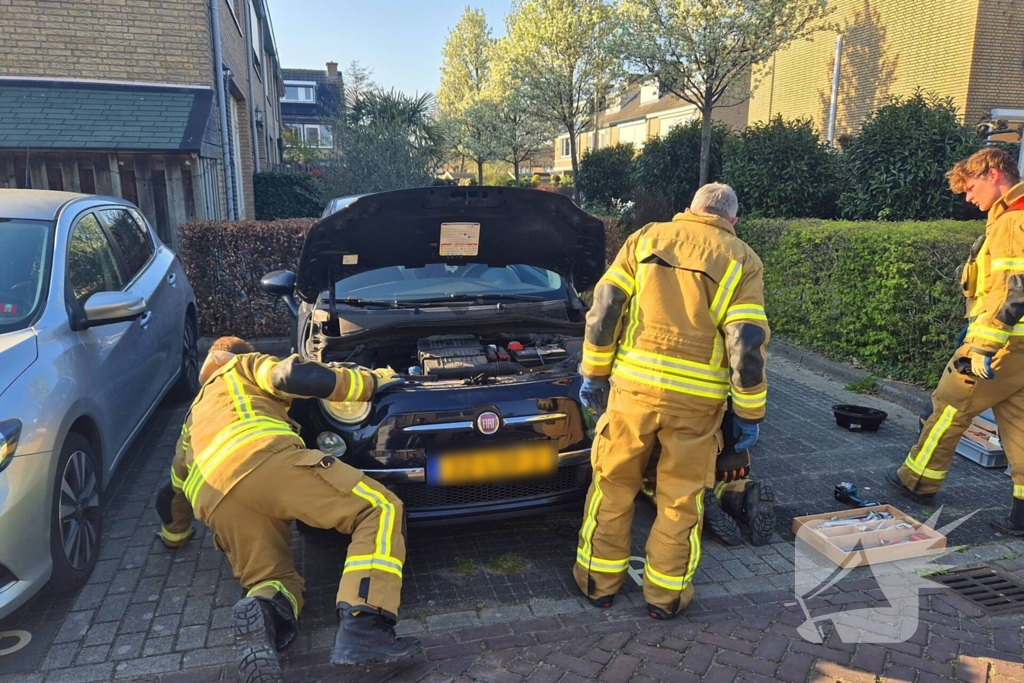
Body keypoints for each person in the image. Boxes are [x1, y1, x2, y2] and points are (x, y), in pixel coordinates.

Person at [154, 336, 420, 683]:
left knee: (272, 579)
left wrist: (175, 535)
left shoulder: (192, 422)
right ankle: (365, 630)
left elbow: (172, 491)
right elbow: (290, 376)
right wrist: (372, 382)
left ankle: (263, 610)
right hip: (261, 460)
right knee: (378, 508)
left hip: (214, 500)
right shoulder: (241, 365)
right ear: (240, 352)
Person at [575, 183, 770, 619]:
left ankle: (596, 583)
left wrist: (594, 372)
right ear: (731, 220)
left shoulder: (645, 238)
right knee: (680, 500)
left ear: (689, 210)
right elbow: (746, 343)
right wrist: (748, 412)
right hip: (696, 406)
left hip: (631, 394)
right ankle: (664, 597)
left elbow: (605, 309)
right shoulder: (742, 259)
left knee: (612, 485)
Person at [887, 148, 1024, 535]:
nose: (967, 197)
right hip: (1019, 348)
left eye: (971, 186)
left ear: (994, 173)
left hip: (1002, 345)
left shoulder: (1013, 221)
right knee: (1019, 426)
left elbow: (1016, 290)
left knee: (950, 404)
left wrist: (984, 345)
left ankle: (917, 481)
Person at [640, 408, 776, 547]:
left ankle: (699, 499)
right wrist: (739, 432)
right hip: (714, 431)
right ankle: (745, 492)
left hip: (668, 428)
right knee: (723, 479)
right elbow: (741, 391)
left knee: (661, 481)